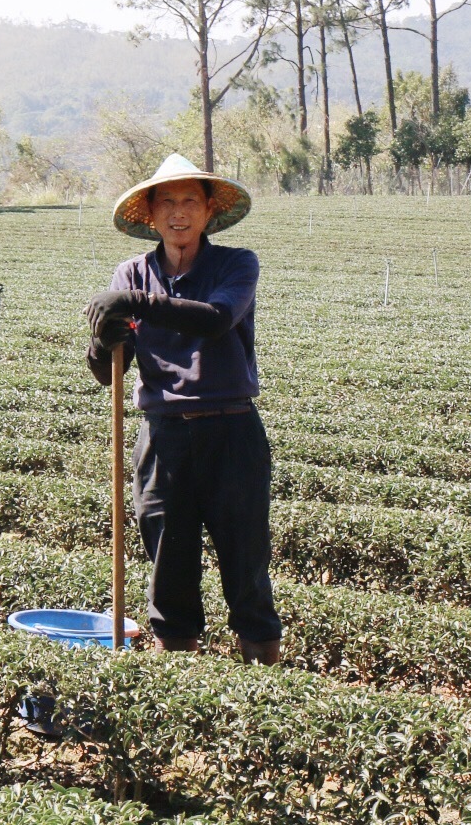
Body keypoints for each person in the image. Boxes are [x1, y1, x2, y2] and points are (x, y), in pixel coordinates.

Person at [84, 153, 282, 663]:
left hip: (231, 431)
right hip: (164, 436)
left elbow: (215, 318)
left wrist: (131, 303)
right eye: (166, 202)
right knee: (169, 572)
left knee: (246, 570)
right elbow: (108, 373)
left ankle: (265, 689)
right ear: (149, 214)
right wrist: (102, 339)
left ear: (209, 209)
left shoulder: (236, 264)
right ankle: (179, 686)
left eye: (190, 201)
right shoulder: (131, 273)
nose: (178, 212)